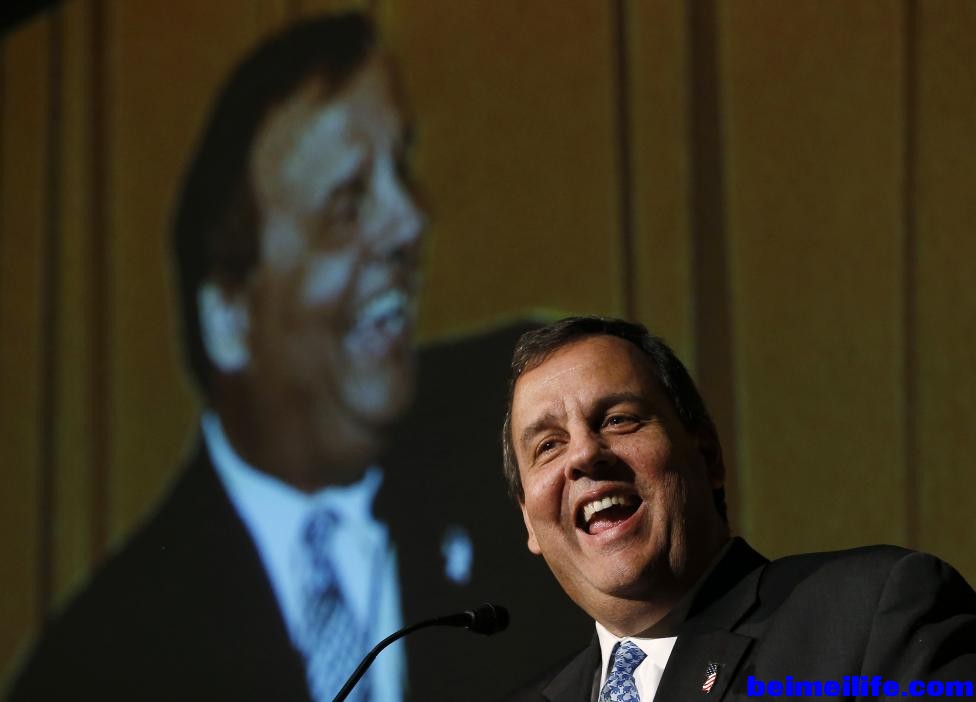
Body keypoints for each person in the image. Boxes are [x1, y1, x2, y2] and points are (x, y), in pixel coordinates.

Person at [7, 13, 590, 701]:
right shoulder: (101, 660)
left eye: (400, 168)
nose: (410, 220)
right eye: (347, 205)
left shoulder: (529, 417)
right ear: (229, 317)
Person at [501, 316, 976, 701]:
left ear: (708, 455)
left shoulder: (872, 613)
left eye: (618, 419)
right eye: (548, 445)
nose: (584, 454)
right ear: (529, 522)